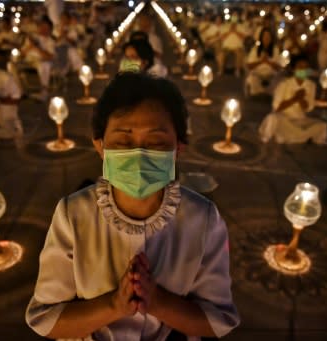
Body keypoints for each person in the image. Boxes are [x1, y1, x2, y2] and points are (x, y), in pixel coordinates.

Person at [25, 72, 240, 340]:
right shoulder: (74, 215)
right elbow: (46, 320)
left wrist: (159, 303)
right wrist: (113, 305)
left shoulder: (203, 218)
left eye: (156, 142)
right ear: (100, 146)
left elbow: (217, 321)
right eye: (123, 142)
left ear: (178, 147)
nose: (139, 154)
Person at [259, 54, 327, 144]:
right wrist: (294, 98)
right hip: (283, 119)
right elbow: (277, 108)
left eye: (305, 68)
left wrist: (301, 99)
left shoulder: (311, 85)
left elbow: (308, 108)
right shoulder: (284, 84)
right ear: (293, 69)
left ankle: (289, 136)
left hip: (300, 120)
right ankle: (295, 136)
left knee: (322, 125)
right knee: (272, 118)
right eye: (300, 67)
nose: (302, 70)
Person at [245, 28, 281, 96]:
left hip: (271, 75)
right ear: (261, 37)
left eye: (268, 36)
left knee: (278, 80)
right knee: (252, 79)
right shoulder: (255, 49)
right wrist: (261, 61)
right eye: (264, 36)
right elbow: (249, 65)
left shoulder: (275, 49)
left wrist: (268, 62)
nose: (266, 38)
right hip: (258, 75)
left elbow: (278, 67)